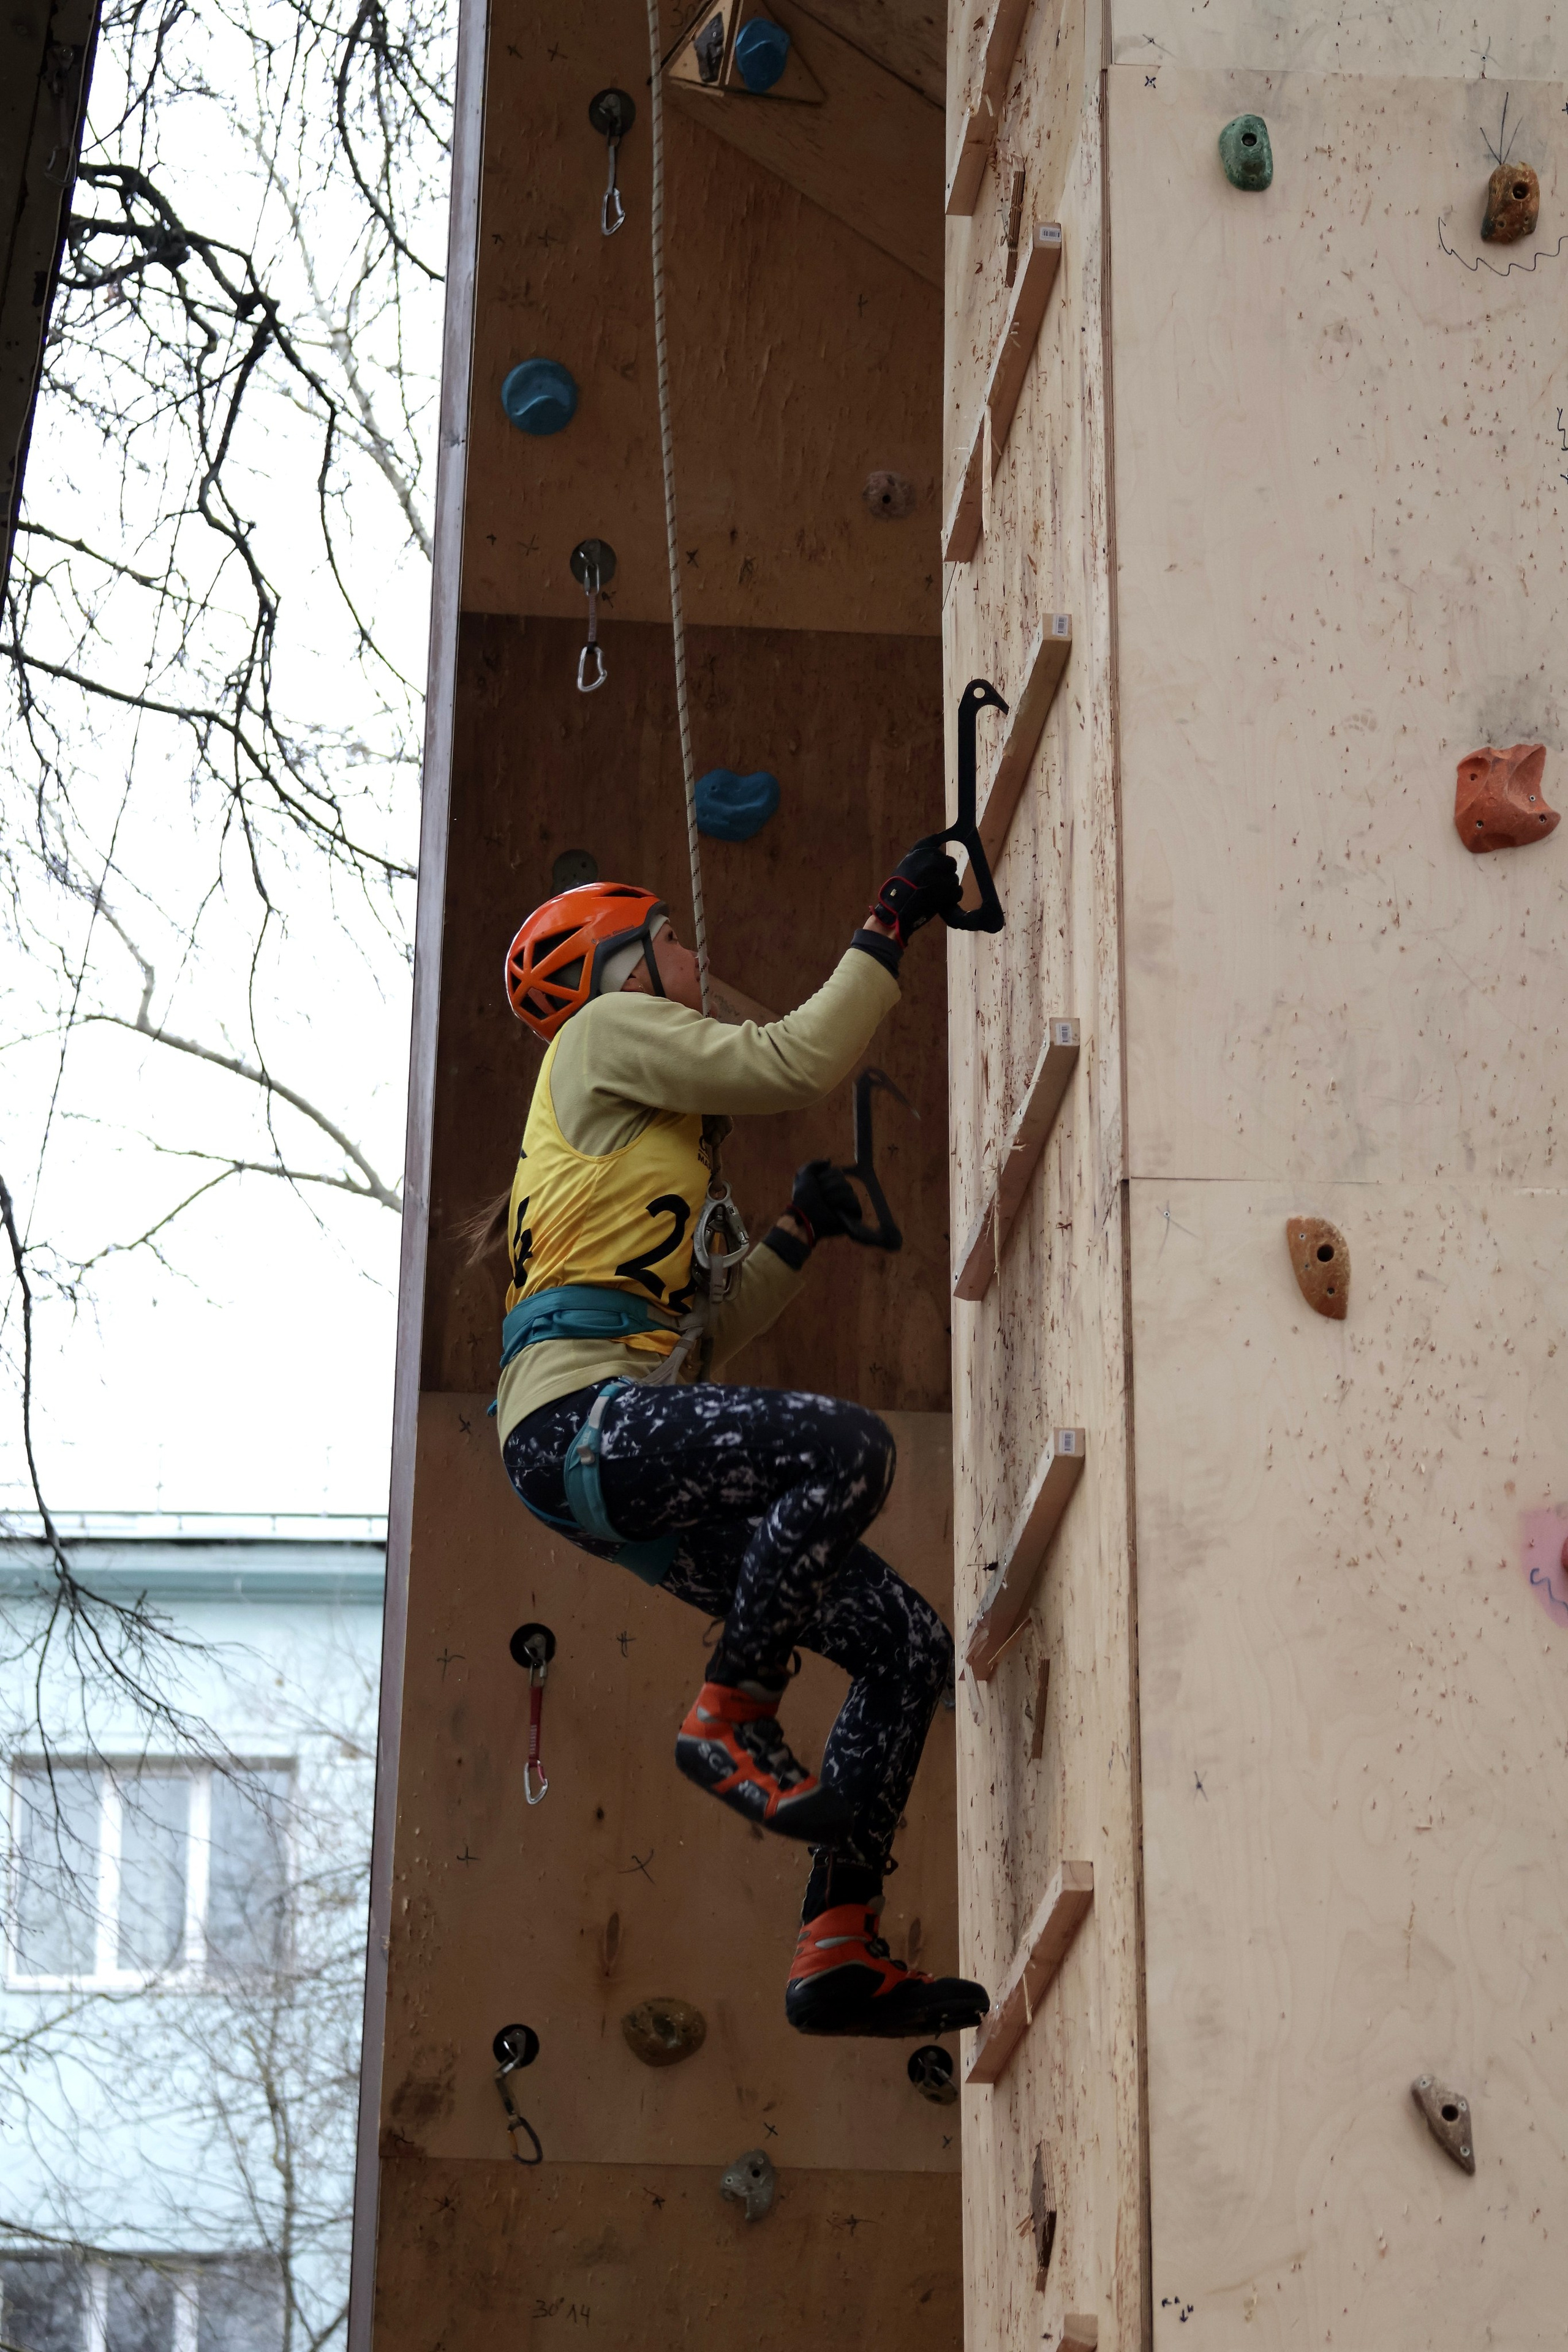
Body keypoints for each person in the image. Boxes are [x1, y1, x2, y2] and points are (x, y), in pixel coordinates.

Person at [492, 845, 991, 2040]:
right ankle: (730, 1709)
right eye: (670, 938)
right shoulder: (601, 1038)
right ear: (613, 963)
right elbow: (797, 1059)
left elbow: (692, 1349)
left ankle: (837, 1945)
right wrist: (893, 912)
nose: (695, 959)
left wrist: (795, 1234)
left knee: (903, 1647)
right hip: (578, 1424)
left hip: (602, 1447)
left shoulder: (628, 1112)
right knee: (848, 1451)